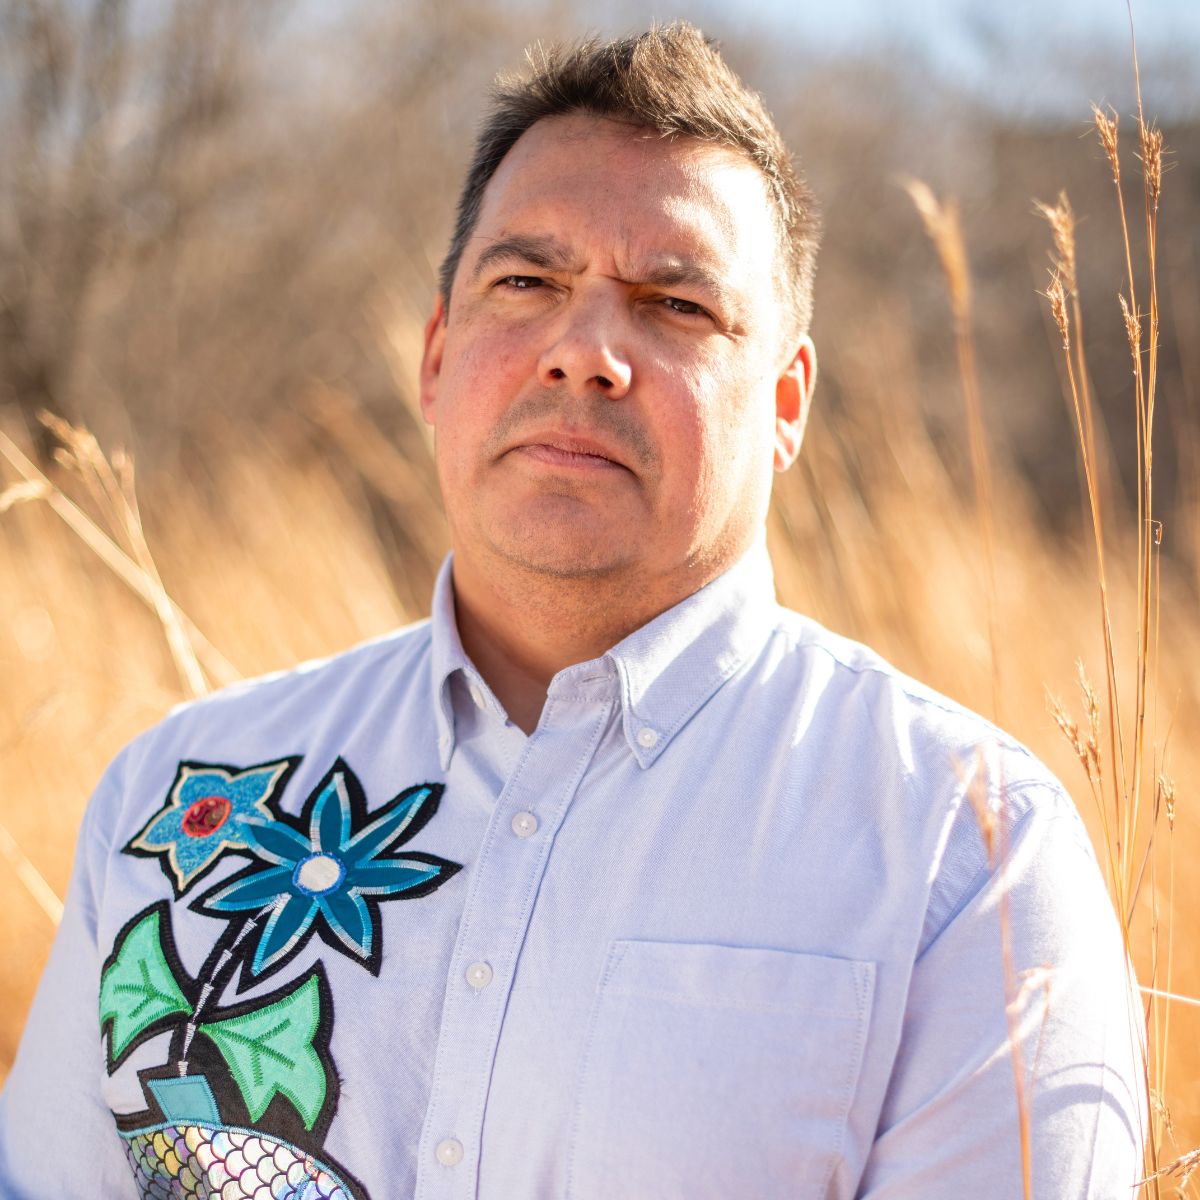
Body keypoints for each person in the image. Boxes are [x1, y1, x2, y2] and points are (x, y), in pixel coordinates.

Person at [0, 22, 1143, 1200]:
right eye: (526, 282)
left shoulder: (968, 856)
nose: (586, 351)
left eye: (675, 305)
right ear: (437, 356)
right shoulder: (177, 798)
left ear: (787, 401)